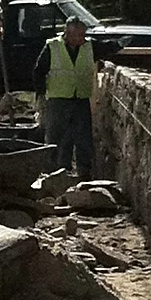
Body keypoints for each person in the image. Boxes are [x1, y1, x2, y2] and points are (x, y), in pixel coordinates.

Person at [34, 13, 95, 179]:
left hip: (80, 98)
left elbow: (108, 47)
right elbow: (39, 71)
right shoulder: (53, 46)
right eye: (79, 35)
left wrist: (123, 43)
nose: (82, 38)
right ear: (68, 34)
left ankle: (84, 173)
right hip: (58, 99)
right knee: (57, 137)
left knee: (83, 137)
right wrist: (41, 94)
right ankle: (54, 172)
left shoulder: (88, 46)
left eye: (83, 34)